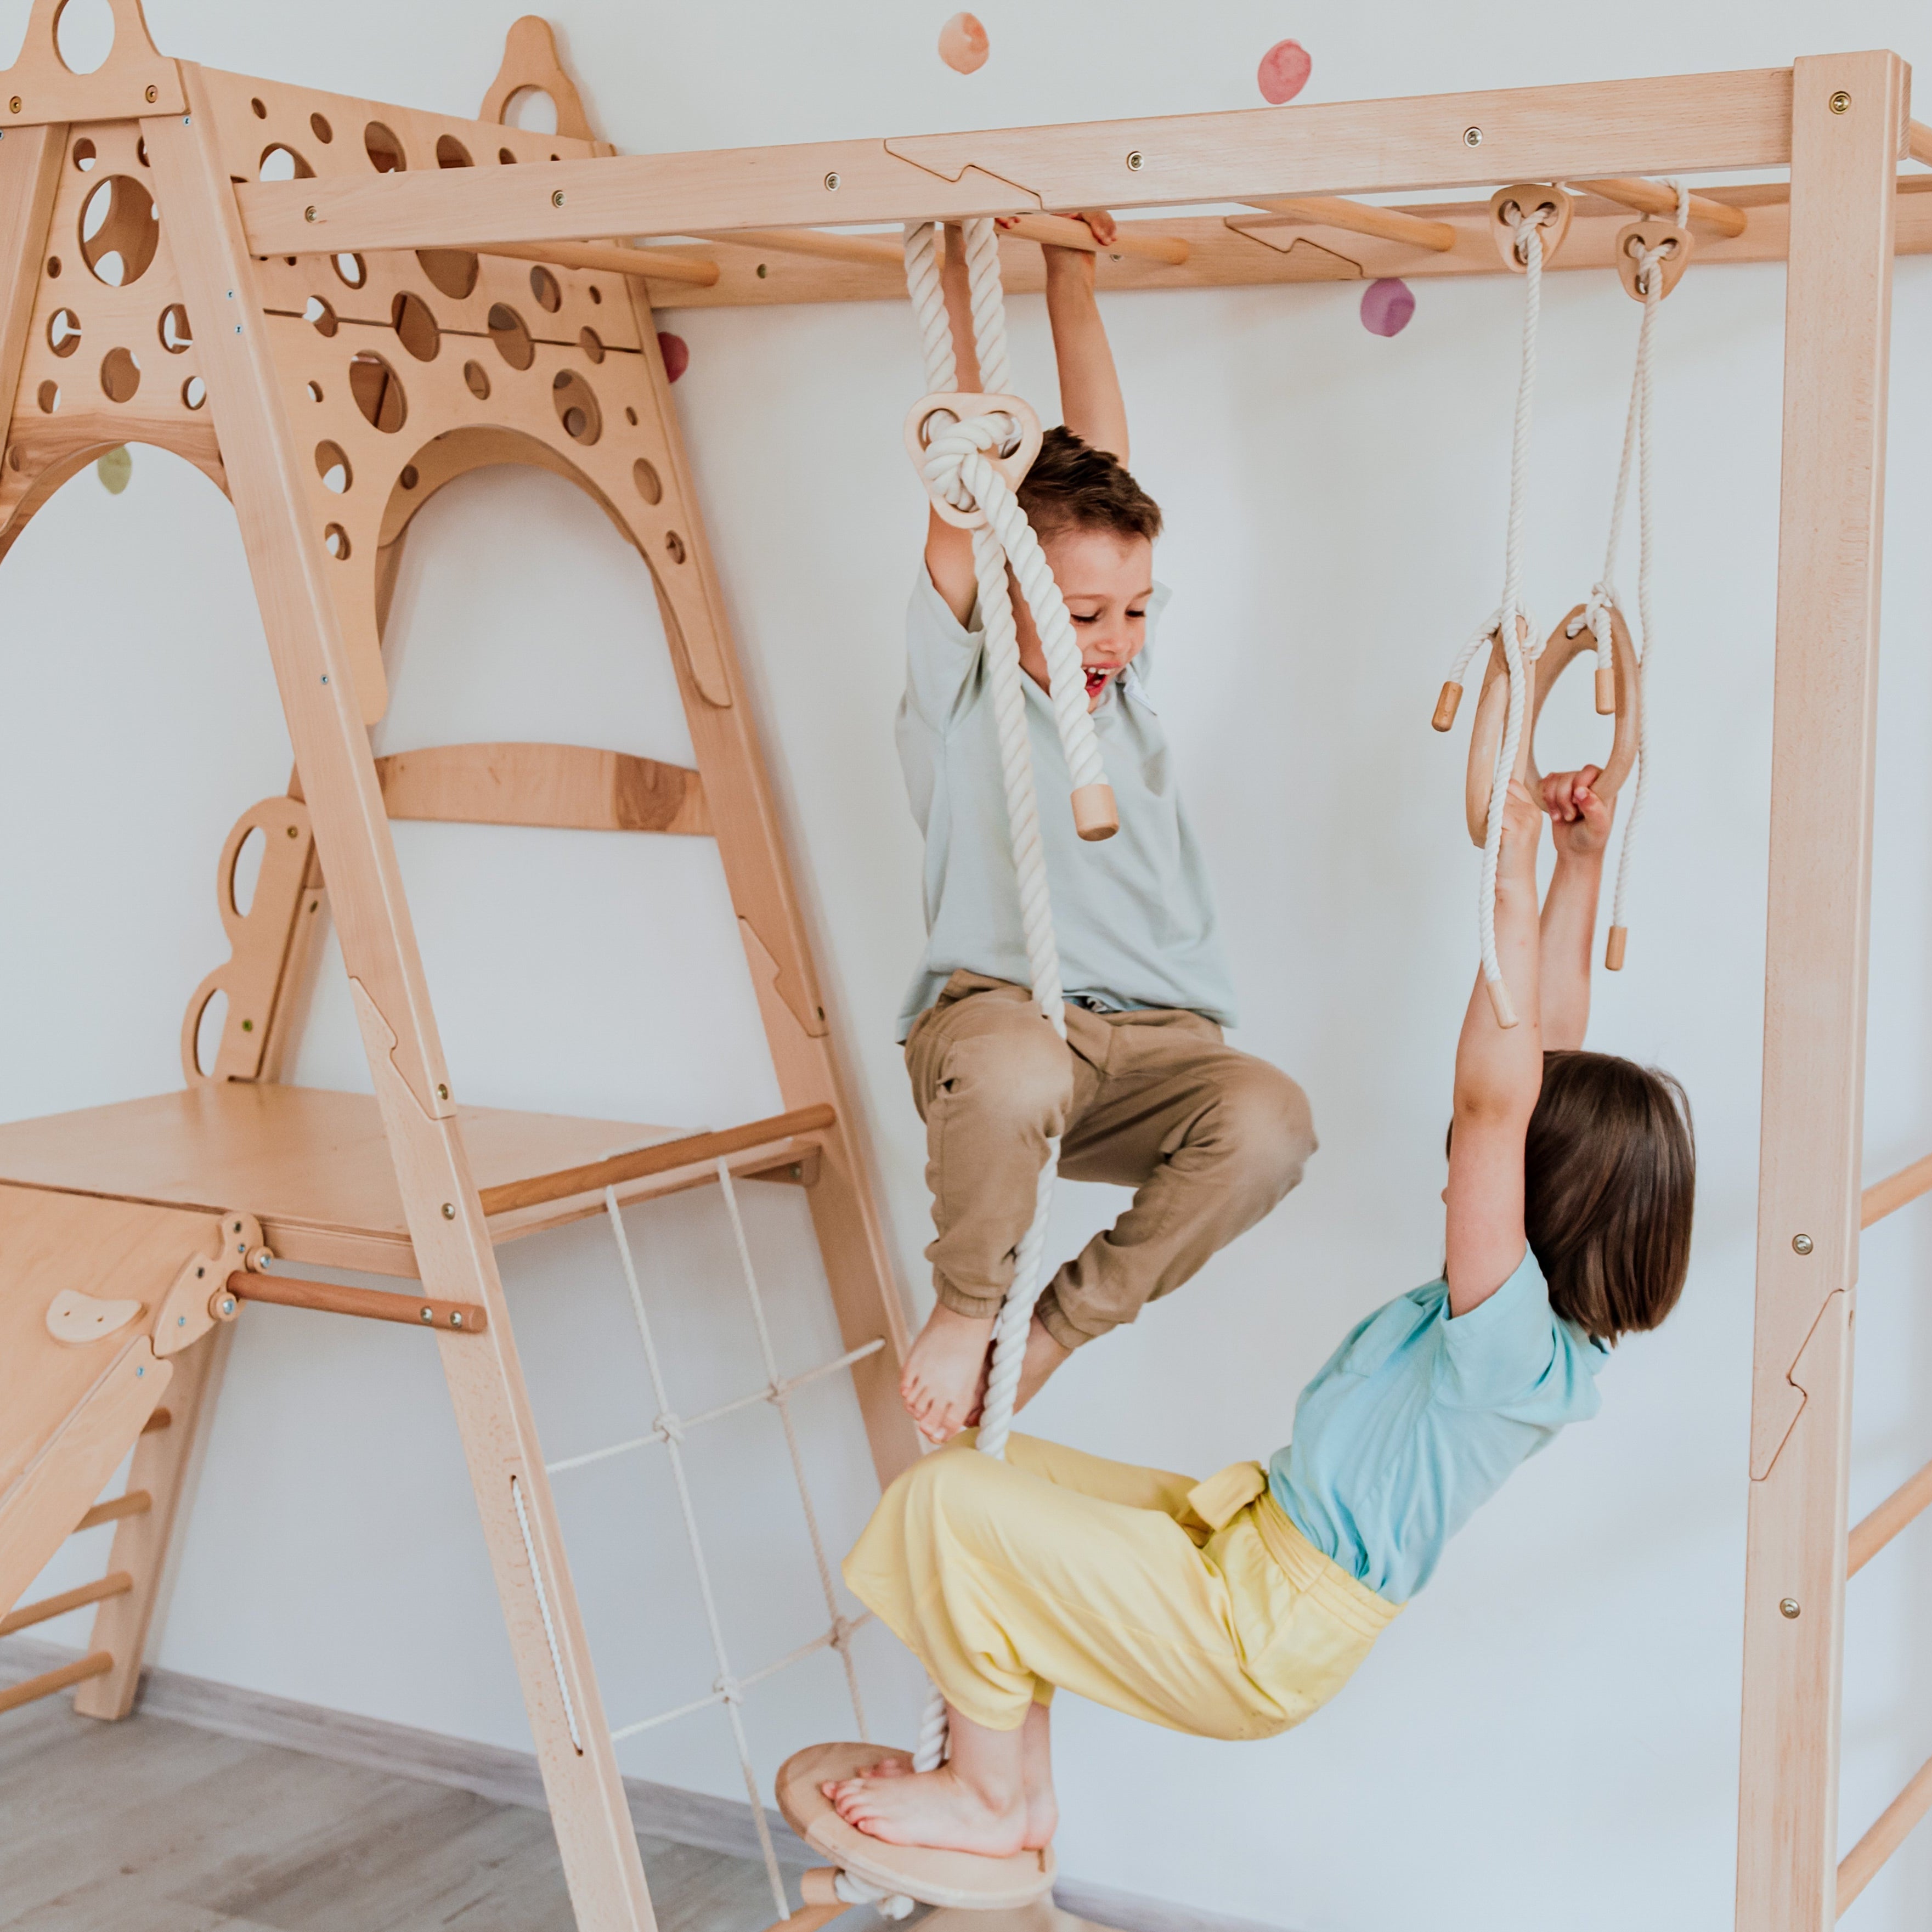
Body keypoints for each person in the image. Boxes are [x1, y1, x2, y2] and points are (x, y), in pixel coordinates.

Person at [824, 766, 1694, 1857]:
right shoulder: (1541, 1335)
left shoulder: (1506, 1343)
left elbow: (1495, 1102)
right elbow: (1544, 1063)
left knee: (948, 1504)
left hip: (1256, 1629)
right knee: (991, 1474)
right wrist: (1579, 865)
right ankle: (1016, 1786)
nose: (1464, 1181)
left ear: (1545, 1203)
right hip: (1244, 1545)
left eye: (1499, 1169)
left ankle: (989, 1800)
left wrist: (1508, 878)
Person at [896, 211, 1315, 1445]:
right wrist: (965, 269)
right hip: (1003, 1024)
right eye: (1085, 614)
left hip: (1159, 1046)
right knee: (1021, 1065)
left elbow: (1107, 463)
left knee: (1272, 1123)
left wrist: (1072, 269)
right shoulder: (966, 681)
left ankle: (1052, 1330)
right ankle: (967, 1305)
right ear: (1011, 586)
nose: (1117, 638)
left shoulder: (1120, 692)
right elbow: (968, 453)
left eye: (1132, 610)